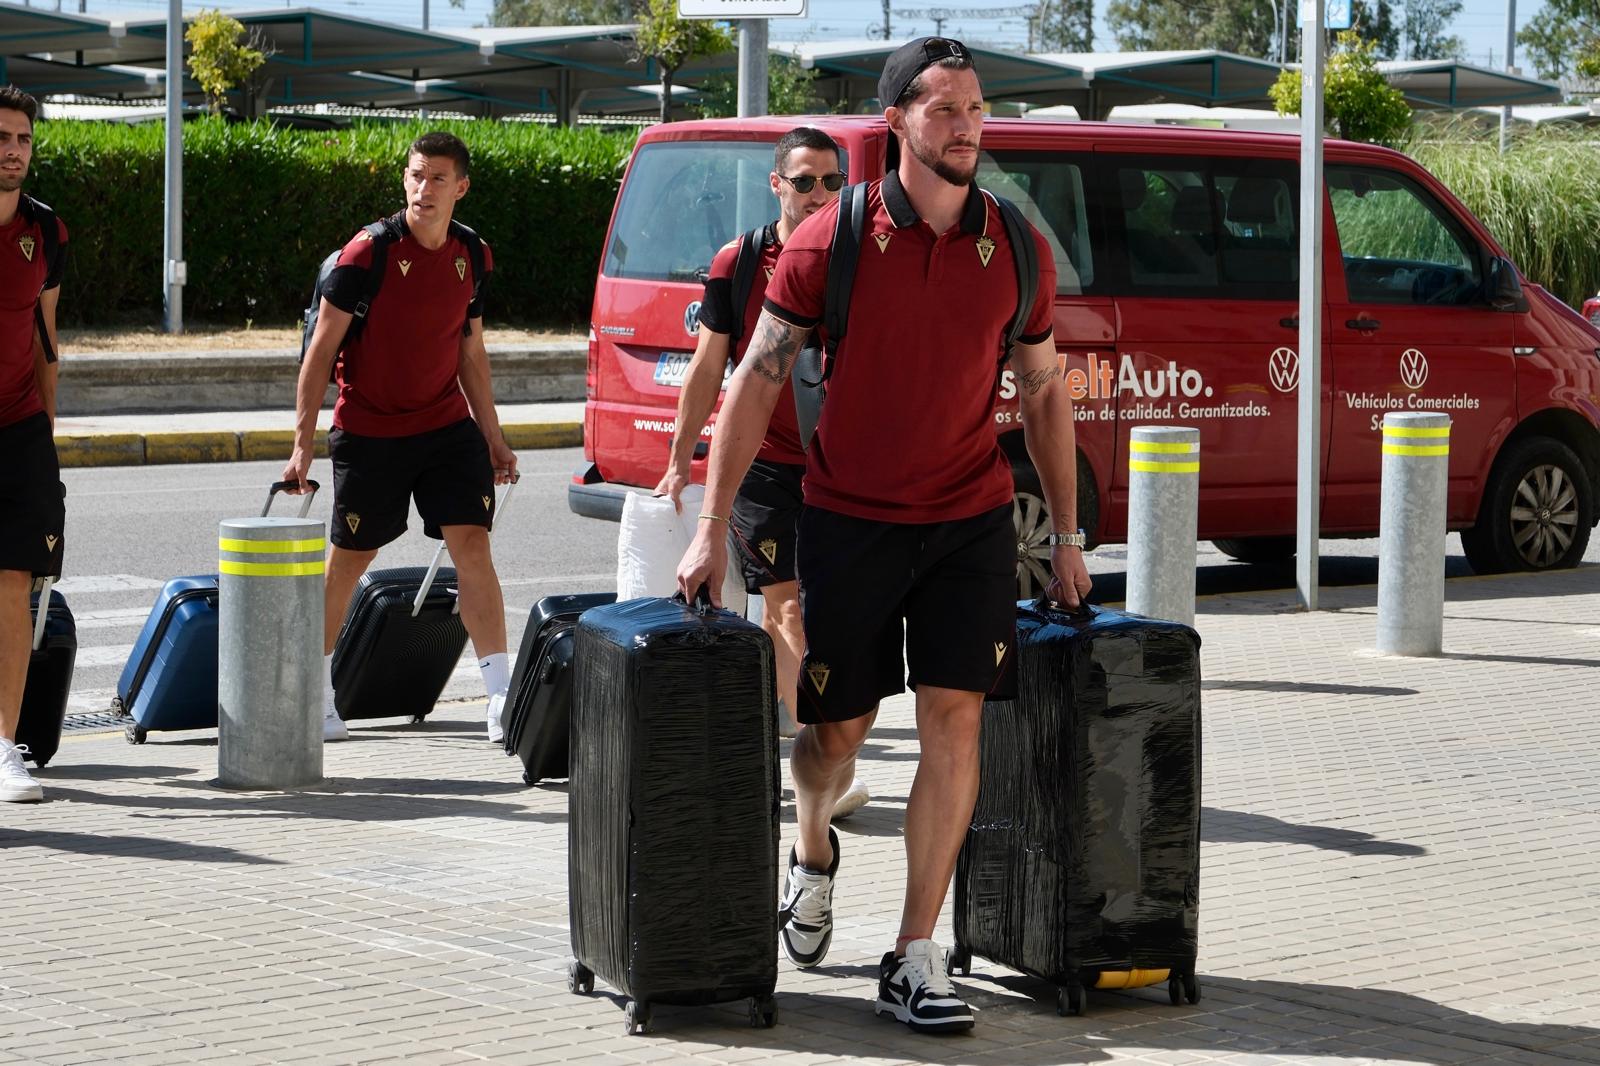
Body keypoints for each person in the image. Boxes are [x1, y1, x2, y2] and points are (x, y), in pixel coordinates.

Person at [677, 38, 1092, 1033]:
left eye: (976, 108)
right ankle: (813, 842)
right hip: (850, 521)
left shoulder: (1015, 245)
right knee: (836, 737)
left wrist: (1068, 533)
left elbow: (1042, 389)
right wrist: (704, 530)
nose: (966, 127)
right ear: (898, 119)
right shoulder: (833, 240)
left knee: (955, 720)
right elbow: (756, 379)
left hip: (970, 519)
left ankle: (913, 953)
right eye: (944, 109)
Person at [654, 125, 869, 820]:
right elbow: (708, 367)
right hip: (766, 464)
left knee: (844, 616)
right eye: (804, 180)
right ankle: (824, 760)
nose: (819, 194)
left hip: (847, 467)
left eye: (833, 182)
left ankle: (825, 753)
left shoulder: (863, 257)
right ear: (776, 184)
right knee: (786, 608)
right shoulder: (740, 260)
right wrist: (681, 460)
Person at [282, 131, 517, 743]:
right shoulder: (369, 253)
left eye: (438, 178)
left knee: (474, 548)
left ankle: (500, 698)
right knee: (350, 561)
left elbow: (471, 351)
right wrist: (302, 443)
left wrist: (493, 437)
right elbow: (318, 353)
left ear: (461, 187)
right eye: (416, 176)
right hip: (370, 432)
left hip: (444, 427)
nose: (424, 188)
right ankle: (317, 691)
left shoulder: (473, 254)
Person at [0, 85, 67, 804]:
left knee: (12, 585)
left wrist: (46, 430)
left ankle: (2, 747)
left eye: (21, 138)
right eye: (1, 137)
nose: (13, 150)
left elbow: (47, 338)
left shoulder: (45, 231)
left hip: (18, 427)